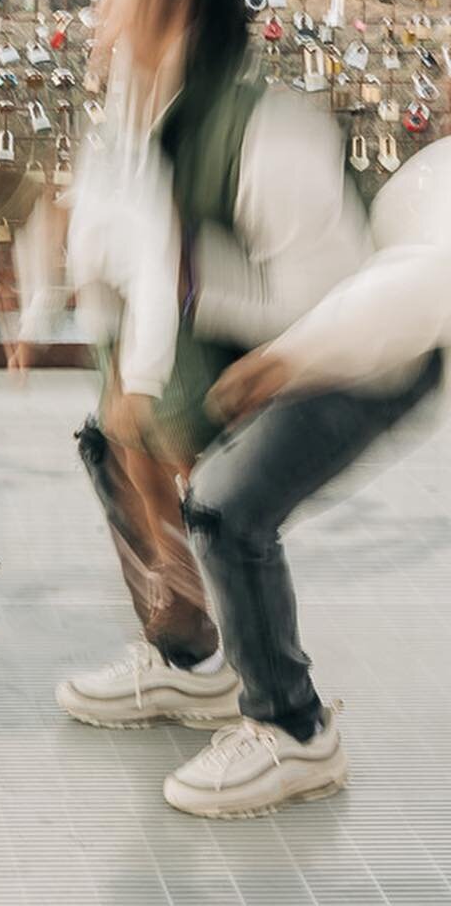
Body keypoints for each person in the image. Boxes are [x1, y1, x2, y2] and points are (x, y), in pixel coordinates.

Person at [35, 0, 369, 744]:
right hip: (242, 342)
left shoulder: (268, 135)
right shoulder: (138, 122)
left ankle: (289, 721)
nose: (98, 7)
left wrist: (182, 266)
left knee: (220, 500)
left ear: (173, 6)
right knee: (111, 425)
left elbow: (331, 303)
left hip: (348, 363)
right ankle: (188, 659)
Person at [155, 132, 449, 819]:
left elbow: (421, 285)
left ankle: (292, 726)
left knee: (228, 506)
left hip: (394, 350)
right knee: (221, 500)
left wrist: (294, 353)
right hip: (378, 340)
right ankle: (272, 709)